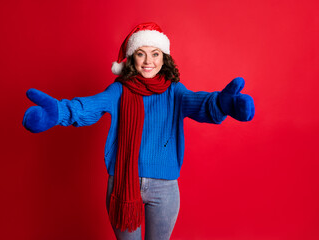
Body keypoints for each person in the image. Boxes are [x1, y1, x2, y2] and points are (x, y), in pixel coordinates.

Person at [22, 22, 255, 240]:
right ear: (132, 58)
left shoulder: (175, 91)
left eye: (155, 53)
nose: (148, 61)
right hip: (122, 184)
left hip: (164, 188)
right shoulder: (119, 90)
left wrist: (222, 105)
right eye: (141, 53)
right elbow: (89, 106)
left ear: (164, 58)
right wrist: (60, 111)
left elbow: (200, 103)